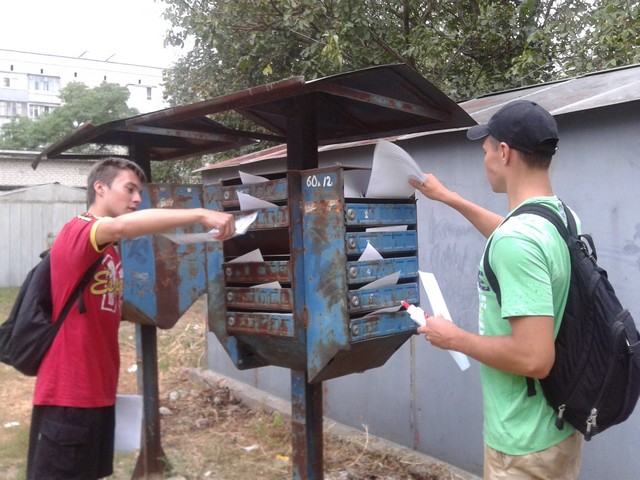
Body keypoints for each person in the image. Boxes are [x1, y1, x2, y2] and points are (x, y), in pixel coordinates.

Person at [26, 157, 236, 479]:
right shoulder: (80, 230)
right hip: (67, 395)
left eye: (139, 191)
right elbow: (121, 227)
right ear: (100, 187)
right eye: (130, 189)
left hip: (97, 392)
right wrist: (200, 213)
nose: (137, 199)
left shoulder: (108, 250)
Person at [409, 100, 583, 479]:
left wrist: (453, 338)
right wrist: (450, 198)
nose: (484, 158)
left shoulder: (517, 241)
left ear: (504, 153)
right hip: (558, 426)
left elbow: (535, 358)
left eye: (485, 150)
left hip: (524, 444)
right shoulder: (558, 216)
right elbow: (512, 235)